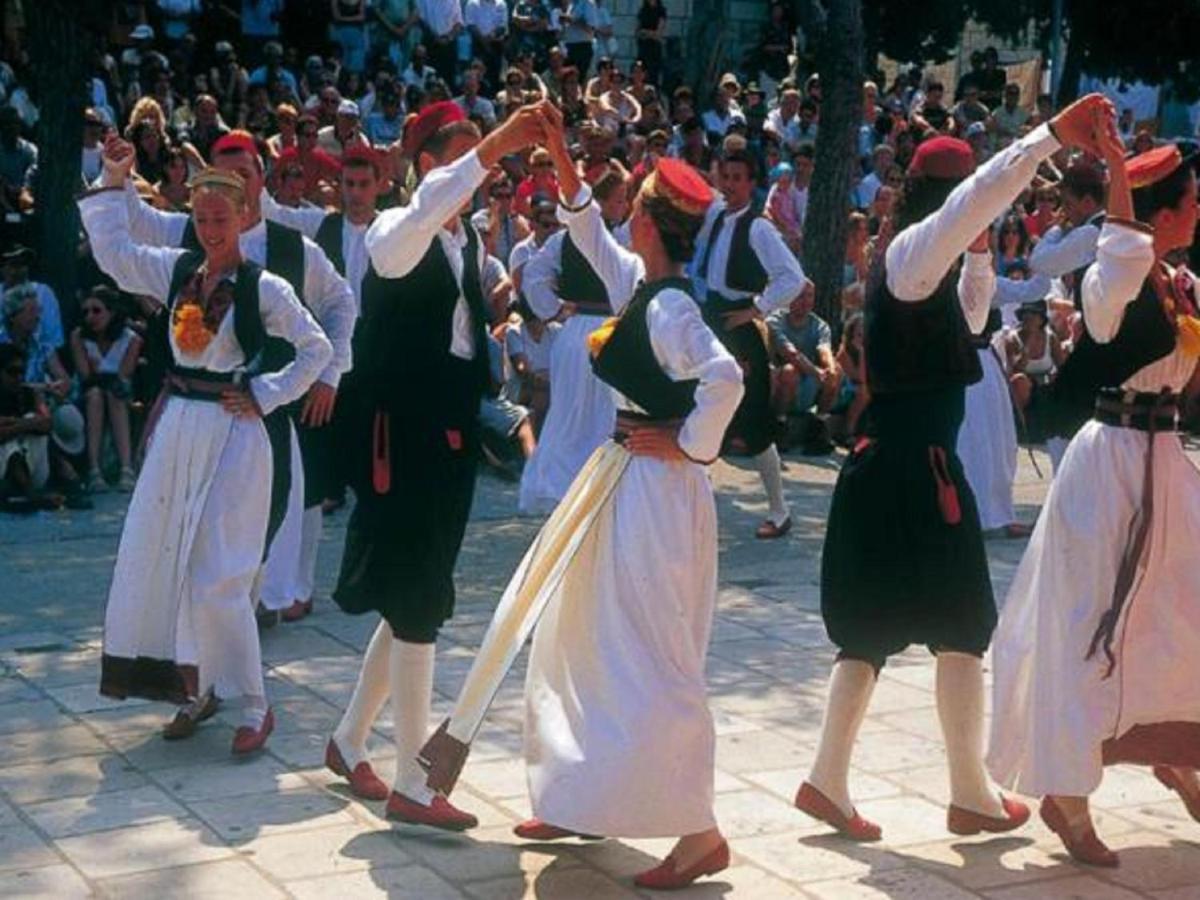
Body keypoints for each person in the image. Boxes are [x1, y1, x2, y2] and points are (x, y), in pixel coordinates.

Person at [420, 106, 742, 891]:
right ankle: (576, 794)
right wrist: (560, 149)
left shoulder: (672, 307)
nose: (621, 218)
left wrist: (687, 441)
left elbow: (726, 378)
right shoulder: (645, 286)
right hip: (625, 480)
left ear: (653, 224)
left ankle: (699, 833)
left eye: (633, 209)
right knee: (577, 634)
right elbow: (586, 226)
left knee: (644, 652)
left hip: (657, 492)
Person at [793, 94, 1111, 843]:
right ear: (949, 198)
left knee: (875, 630)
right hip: (913, 467)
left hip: (893, 464)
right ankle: (968, 793)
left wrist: (980, 245)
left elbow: (972, 319)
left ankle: (825, 781)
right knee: (963, 622)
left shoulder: (922, 261)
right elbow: (980, 199)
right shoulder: (910, 251)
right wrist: (1043, 140)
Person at [322, 100, 547, 829]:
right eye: (459, 153)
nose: (477, 167)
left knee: (418, 593)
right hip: (402, 439)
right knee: (418, 599)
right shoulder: (394, 232)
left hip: (444, 437)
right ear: (426, 165)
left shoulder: (461, 246)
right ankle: (413, 781)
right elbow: (430, 205)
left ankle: (349, 737)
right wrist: (503, 140)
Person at [988, 135, 1200, 868]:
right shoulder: (1112, 283)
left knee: (1180, 614)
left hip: (1164, 464)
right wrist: (1114, 166)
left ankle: (1176, 749)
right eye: (1193, 198)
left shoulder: (1181, 283)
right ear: (1160, 214)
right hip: (1110, 466)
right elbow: (1119, 257)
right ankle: (1067, 793)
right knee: (1089, 627)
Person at [80, 153, 332, 754]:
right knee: (172, 560)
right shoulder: (176, 271)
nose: (211, 229)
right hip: (178, 434)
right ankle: (195, 688)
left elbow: (315, 348)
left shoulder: (264, 286)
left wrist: (265, 394)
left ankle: (255, 703)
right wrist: (114, 181)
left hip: (234, 435)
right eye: (201, 217)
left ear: (244, 216)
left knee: (221, 573)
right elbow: (115, 255)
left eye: (222, 217)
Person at [104, 130, 356, 635]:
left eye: (243, 173)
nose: (230, 186)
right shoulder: (186, 237)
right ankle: (213, 614)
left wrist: (329, 373)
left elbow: (339, 302)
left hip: (271, 402)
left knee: (275, 502)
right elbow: (126, 234)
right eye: (219, 174)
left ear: (259, 181)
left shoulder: (294, 248)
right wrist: (117, 175)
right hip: (194, 406)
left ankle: (258, 599)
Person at [694, 144, 806, 538]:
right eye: (726, 177)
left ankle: (779, 510)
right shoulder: (715, 216)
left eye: (738, 179)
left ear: (753, 182)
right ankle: (696, 507)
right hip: (709, 323)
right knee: (702, 413)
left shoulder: (759, 227)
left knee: (753, 420)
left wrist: (756, 308)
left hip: (739, 328)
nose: (730, 185)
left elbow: (793, 278)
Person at [517, 162, 629, 513]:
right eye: (620, 200)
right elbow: (532, 274)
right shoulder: (615, 241)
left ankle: (568, 483)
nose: (624, 207)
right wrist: (553, 309)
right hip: (599, 328)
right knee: (591, 412)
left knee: (576, 411)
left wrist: (551, 308)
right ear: (604, 202)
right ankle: (585, 485)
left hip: (581, 330)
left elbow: (534, 275)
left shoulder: (566, 240)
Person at [955, 307, 1025, 537]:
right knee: (970, 441)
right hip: (961, 364)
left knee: (998, 441)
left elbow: (1033, 288)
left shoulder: (991, 284)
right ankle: (968, 512)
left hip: (986, 363)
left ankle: (999, 512)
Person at [70, 286, 142, 493]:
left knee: (114, 394)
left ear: (112, 312)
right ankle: (94, 470)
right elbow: (85, 376)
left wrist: (98, 371)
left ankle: (126, 468)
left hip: (120, 393)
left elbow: (123, 375)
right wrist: (99, 374)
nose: (90, 317)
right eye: (86, 312)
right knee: (95, 396)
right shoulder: (79, 337)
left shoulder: (131, 339)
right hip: (88, 393)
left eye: (96, 310)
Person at [768, 283, 838, 449]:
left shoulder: (820, 325)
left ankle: (819, 425)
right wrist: (816, 372)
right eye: (800, 296)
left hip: (809, 381)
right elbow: (790, 353)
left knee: (836, 372)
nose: (805, 301)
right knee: (790, 372)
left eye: (809, 296)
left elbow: (824, 349)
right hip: (781, 383)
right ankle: (780, 425)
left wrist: (831, 369)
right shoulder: (774, 321)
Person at [635, 0, 666, 86]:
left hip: (654, 49)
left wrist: (645, 32)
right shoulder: (643, 10)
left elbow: (658, 34)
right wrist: (649, 33)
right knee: (641, 72)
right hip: (643, 48)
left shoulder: (661, 11)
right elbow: (637, 31)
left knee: (653, 75)